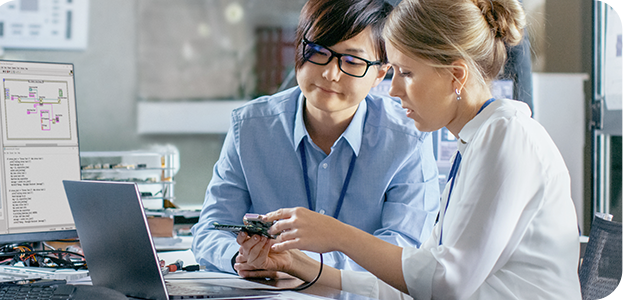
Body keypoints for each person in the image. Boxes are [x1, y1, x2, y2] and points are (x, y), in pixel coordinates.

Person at [234, 0, 583, 299]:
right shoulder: (476, 142)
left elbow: (447, 283)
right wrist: (299, 264)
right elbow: (415, 281)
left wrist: (335, 234)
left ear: (456, 76)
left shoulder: (507, 136)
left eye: (406, 73)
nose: (394, 90)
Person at [190, 0, 441, 274]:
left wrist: (304, 267)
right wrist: (241, 259)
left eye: (352, 61)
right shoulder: (250, 127)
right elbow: (210, 230)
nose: (329, 73)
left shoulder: (408, 138)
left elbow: (404, 247)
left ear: (380, 73)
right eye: (318, 51)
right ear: (299, 47)